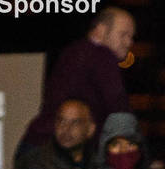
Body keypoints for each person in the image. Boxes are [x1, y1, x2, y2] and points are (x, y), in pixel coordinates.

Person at [17, 8, 136, 152]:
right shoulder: (102, 56)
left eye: (131, 36)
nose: (128, 42)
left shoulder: (73, 51)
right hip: (58, 153)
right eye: (123, 35)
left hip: (37, 145)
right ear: (101, 30)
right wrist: (135, 151)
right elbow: (118, 108)